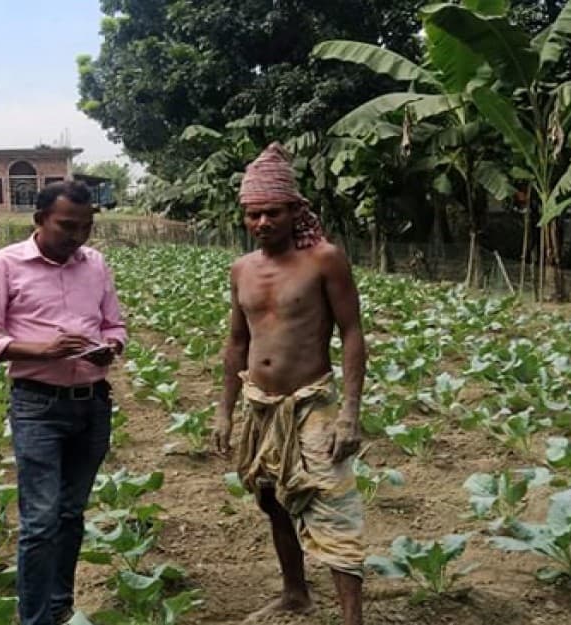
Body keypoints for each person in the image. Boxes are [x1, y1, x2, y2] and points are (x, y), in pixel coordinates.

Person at [211, 143, 368, 625]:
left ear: (294, 211)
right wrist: (224, 409)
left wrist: (349, 412)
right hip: (260, 405)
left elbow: (353, 333)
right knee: (270, 495)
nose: (262, 223)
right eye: (253, 214)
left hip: (311, 403)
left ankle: (351, 617)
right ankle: (295, 592)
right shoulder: (242, 269)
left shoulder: (324, 259)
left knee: (333, 505)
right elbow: (237, 342)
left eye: (272, 212)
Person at [0, 180, 127, 625]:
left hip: (92, 403)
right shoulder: (3, 265)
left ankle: (59, 608)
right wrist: (44, 349)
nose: (77, 236)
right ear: (39, 221)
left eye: (86, 226)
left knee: (72, 515)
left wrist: (108, 347)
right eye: (67, 226)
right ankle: (33, 618)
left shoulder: (95, 264)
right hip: (38, 404)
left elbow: (115, 326)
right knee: (40, 521)